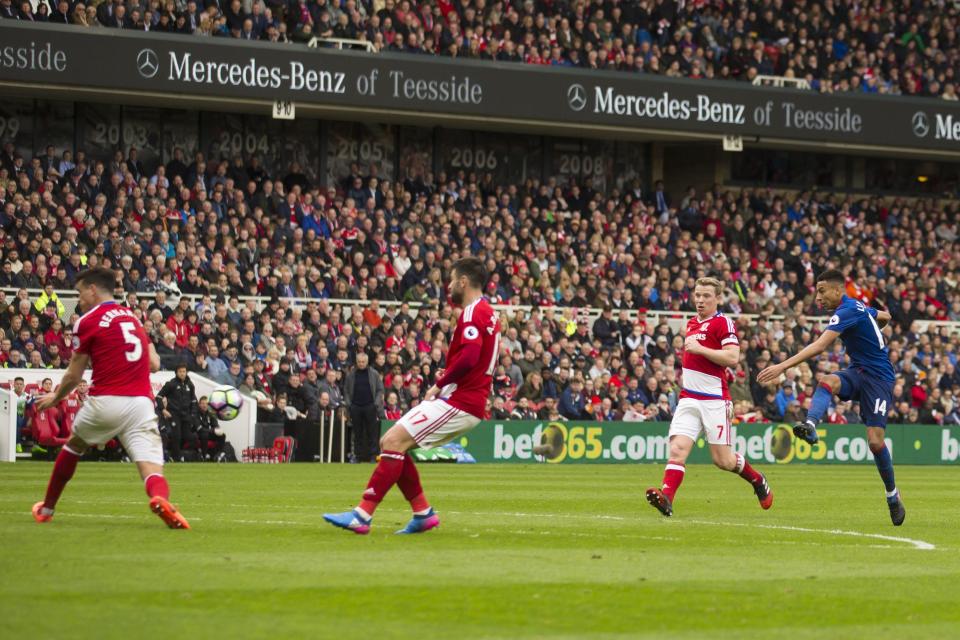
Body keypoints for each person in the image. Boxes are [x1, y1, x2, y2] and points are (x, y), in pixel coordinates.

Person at [324, 257, 501, 535]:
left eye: (453, 280)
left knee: (393, 440)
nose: (450, 286)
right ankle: (422, 513)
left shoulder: (471, 313)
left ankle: (362, 515)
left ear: (464, 282)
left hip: (460, 401)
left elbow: (469, 357)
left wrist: (440, 382)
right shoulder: (490, 313)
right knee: (393, 442)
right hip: (469, 401)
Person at [31, 267, 189, 529]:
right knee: (150, 467)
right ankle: (160, 498)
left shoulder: (87, 321)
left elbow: (74, 375)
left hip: (105, 401)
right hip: (140, 403)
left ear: (93, 289)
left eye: (80, 293)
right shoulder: (134, 318)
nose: (79, 299)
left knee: (74, 446)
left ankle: (46, 508)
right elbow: (154, 363)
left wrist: (55, 398)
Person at [758, 269, 904, 525]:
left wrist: (781, 367)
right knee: (828, 381)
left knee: (875, 443)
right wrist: (877, 325)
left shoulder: (846, 311)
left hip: (880, 379)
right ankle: (811, 424)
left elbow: (819, 346)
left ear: (839, 290)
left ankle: (892, 495)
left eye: (822, 291)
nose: (818, 297)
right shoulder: (856, 306)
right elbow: (885, 316)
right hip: (858, 371)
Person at [646, 277, 773, 517]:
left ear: (718, 298)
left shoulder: (723, 322)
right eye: (697, 295)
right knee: (677, 450)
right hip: (688, 398)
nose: (700, 300)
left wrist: (701, 349)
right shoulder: (692, 323)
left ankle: (757, 479)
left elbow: (733, 358)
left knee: (723, 461)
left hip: (714, 400)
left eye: (706, 296)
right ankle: (666, 498)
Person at [344, 352, 385, 462]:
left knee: (372, 433)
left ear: (367, 362)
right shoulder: (350, 375)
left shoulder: (374, 374)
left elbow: (380, 390)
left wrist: (375, 404)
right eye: (359, 362)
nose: (361, 364)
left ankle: (373, 456)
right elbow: (346, 391)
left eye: (363, 362)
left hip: (370, 407)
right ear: (356, 362)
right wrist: (350, 405)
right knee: (357, 434)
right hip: (355, 407)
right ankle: (357, 456)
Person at [156, 363, 200, 461]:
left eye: (184, 371)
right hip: (174, 414)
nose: (182, 373)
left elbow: (193, 400)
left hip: (186, 415)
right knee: (177, 436)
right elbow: (158, 397)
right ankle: (176, 458)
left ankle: (187, 455)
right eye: (180, 371)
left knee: (190, 436)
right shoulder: (171, 384)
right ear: (176, 373)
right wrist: (163, 409)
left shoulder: (190, 384)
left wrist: (193, 414)